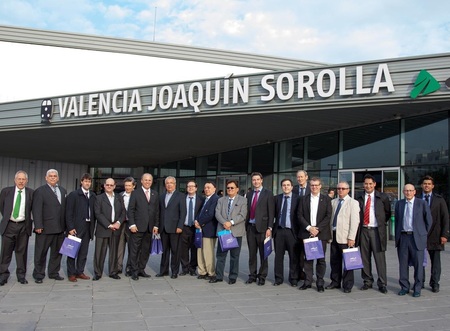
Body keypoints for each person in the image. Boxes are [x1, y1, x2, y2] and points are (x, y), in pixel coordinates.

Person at [395, 184, 432, 297]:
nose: (408, 193)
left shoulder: (422, 203)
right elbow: (397, 220)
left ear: (415, 192)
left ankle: (417, 288)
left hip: (417, 238)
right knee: (403, 264)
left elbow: (429, 221)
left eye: (411, 191)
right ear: (403, 192)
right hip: (403, 237)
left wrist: (423, 234)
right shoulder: (399, 204)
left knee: (418, 265)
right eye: (406, 191)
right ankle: (404, 287)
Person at [356, 174, 391, 294]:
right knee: (364, 257)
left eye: (370, 183)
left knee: (379, 258)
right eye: (366, 184)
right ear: (363, 185)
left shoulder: (382, 197)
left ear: (374, 184)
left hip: (377, 231)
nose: (368, 186)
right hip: (364, 230)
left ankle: (382, 283)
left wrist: (380, 223)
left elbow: (387, 213)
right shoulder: (359, 197)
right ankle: (367, 281)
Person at [297, 177, 332, 292]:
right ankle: (307, 281)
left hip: (321, 234)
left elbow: (328, 216)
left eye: (316, 185)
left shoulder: (326, 199)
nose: (314, 187)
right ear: (309, 186)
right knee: (308, 259)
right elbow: (299, 215)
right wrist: (309, 228)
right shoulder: (303, 199)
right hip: (307, 233)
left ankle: (320, 282)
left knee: (321, 259)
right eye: (312, 185)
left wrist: (318, 229)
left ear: (320, 186)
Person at [32, 169, 67, 284]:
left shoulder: (62, 190)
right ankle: (38, 274)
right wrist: (38, 225)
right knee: (41, 252)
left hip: (60, 228)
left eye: (55, 176)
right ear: (46, 178)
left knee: (57, 253)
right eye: (50, 176)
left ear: (58, 178)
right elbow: (36, 210)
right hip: (45, 228)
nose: (52, 178)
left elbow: (63, 209)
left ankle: (53, 272)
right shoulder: (40, 191)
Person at [0, 170, 33, 285]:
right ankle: (3, 276)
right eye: (19, 179)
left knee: (22, 253)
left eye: (23, 179)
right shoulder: (6, 192)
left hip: (23, 226)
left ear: (27, 181)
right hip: (9, 225)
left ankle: (21, 276)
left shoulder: (30, 193)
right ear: (15, 180)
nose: (21, 181)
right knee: (5, 253)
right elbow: (2, 207)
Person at [325, 181, 360, 293]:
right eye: (339, 188)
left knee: (348, 261)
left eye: (343, 188)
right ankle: (335, 281)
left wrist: (351, 237)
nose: (340, 190)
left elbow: (355, 221)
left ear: (348, 190)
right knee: (334, 260)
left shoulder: (353, 203)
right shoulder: (333, 202)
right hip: (334, 234)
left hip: (346, 236)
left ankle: (347, 284)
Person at [211, 180, 247, 284]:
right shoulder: (221, 200)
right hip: (224, 231)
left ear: (237, 189)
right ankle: (219, 276)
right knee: (221, 256)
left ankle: (233, 276)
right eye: (228, 188)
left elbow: (242, 215)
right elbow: (217, 213)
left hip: (236, 231)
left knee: (234, 256)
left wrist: (231, 223)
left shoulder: (243, 200)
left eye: (232, 188)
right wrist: (225, 223)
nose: (230, 190)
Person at [419, 175, 449, 293]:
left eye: (429, 184)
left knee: (435, 262)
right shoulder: (417, 198)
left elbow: (445, 218)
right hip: (421, 235)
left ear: (432, 186)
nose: (427, 185)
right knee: (420, 261)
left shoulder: (439, 199)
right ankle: (420, 281)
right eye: (425, 183)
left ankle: (434, 283)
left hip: (436, 235)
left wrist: (445, 235)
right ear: (422, 185)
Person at [127, 173, 159, 280]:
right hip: (137, 227)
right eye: (145, 180)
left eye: (149, 180)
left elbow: (157, 211)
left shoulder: (155, 194)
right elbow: (130, 210)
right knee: (135, 250)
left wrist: (156, 225)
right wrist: (132, 224)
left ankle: (141, 269)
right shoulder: (135, 193)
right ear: (141, 181)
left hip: (150, 228)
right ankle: (134, 270)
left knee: (145, 250)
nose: (147, 182)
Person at [65, 173, 96, 282]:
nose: (87, 183)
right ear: (81, 182)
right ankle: (71, 273)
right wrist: (70, 227)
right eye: (85, 181)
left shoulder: (93, 196)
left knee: (83, 252)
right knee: (72, 251)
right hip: (76, 227)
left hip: (88, 227)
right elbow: (68, 212)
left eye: (89, 181)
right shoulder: (74, 195)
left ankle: (80, 271)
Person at [245, 172, 274, 286]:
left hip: (263, 228)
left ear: (261, 180)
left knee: (263, 254)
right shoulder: (249, 194)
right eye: (254, 180)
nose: (256, 182)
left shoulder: (268, 193)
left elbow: (271, 212)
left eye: (258, 179)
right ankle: (252, 275)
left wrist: (269, 227)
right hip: (250, 228)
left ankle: (262, 276)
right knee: (252, 254)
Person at [93, 178, 125, 280]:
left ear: (115, 186)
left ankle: (113, 272)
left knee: (114, 252)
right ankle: (98, 273)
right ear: (104, 186)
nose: (109, 187)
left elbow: (123, 212)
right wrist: (109, 225)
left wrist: (119, 222)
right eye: (107, 185)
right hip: (103, 228)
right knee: (99, 253)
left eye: (111, 185)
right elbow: (98, 213)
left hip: (116, 229)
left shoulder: (119, 197)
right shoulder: (99, 198)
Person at [273, 178, 301, 287]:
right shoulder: (277, 198)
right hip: (279, 231)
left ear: (292, 187)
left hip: (292, 232)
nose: (286, 187)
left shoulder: (298, 199)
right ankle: (278, 278)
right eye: (284, 185)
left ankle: (293, 278)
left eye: (288, 185)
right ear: (281, 187)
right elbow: (273, 214)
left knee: (293, 256)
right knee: (278, 256)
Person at [157, 176, 186, 278]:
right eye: (167, 183)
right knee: (164, 251)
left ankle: (174, 271)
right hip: (163, 228)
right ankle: (163, 271)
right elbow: (159, 212)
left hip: (175, 228)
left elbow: (183, 213)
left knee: (175, 251)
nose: (169, 185)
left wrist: (180, 226)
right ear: (165, 185)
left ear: (175, 184)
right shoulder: (161, 196)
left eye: (171, 183)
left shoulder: (181, 196)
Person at [195, 181, 219, 280]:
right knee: (200, 251)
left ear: (214, 189)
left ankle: (211, 272)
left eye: (209, 187)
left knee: (208, 252)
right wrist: (196, 220)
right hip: (200, 229)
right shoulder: (205, 199)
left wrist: (200, 223)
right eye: (205, 188)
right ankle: (202, 271)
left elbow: (211, 214)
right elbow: (200, 212)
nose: (207, 189)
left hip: (209, 230)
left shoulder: (215, 199)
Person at [179, 180, 203, 276]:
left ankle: (193, 268)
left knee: (194, 248)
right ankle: (185, 268)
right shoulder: (182, 198)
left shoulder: (201, 200)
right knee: (183, 249)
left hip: (195, 227)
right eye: (189, 186)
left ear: (196, 188)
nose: (190, 188)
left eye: (193, 186)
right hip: (184, 227)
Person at [117, 176, 136, 276]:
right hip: (121, 224)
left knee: (131, 247)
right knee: (120, 246)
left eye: (129, 185)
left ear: (134, 186)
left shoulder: (137, 196)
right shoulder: (120, 195)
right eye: (126, 185)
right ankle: (118, 267)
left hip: (132, 225)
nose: (127, 187)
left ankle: (129, 267)